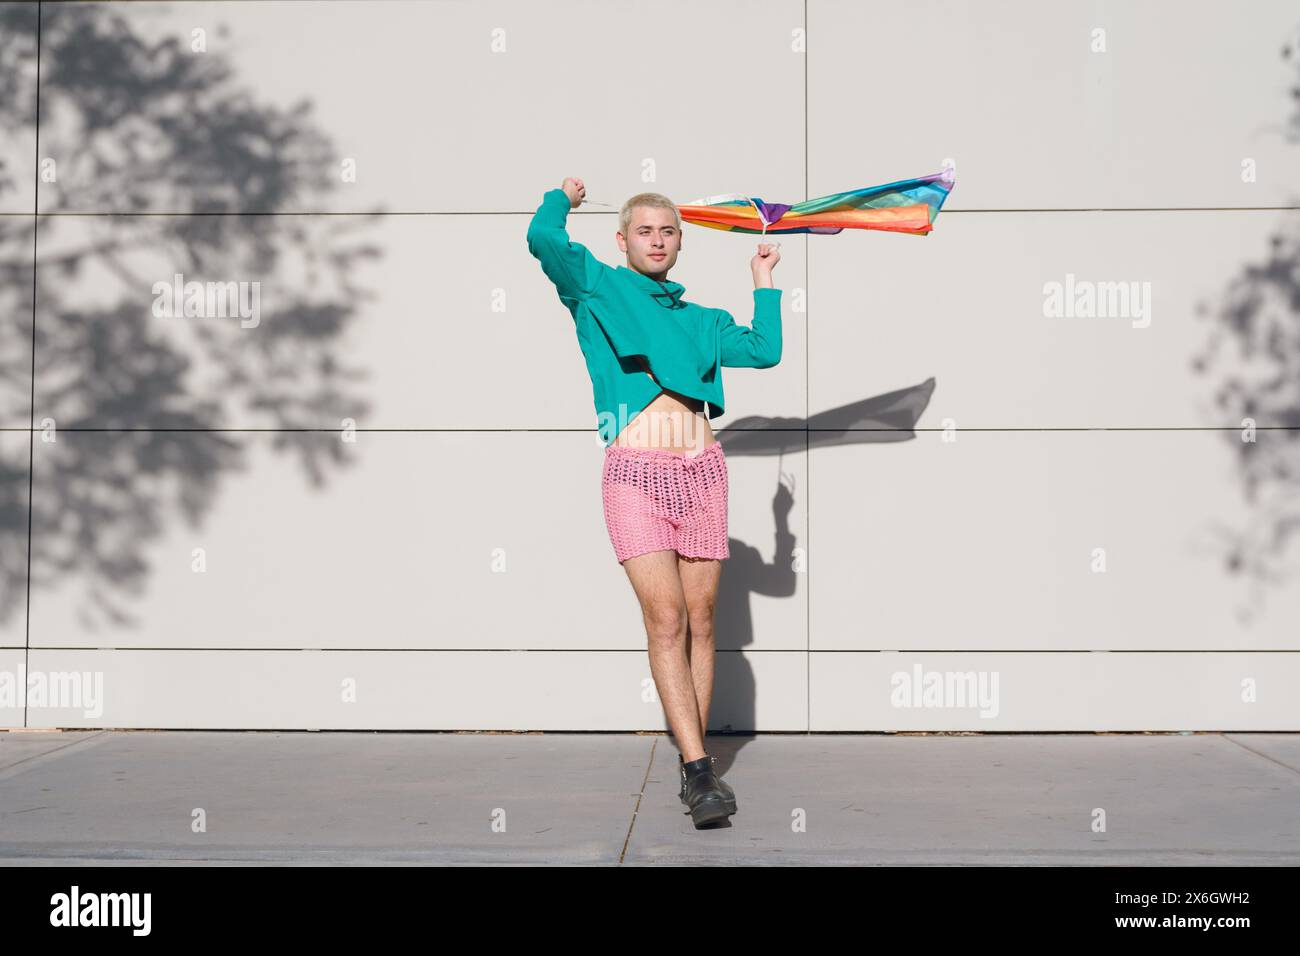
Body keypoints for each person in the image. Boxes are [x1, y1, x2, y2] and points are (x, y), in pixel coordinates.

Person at [526, 176, 782, 828]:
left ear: (679, 243)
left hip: (703, 475)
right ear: (624, 239)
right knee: (665, 619)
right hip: (635, 474)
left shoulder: (701, 320)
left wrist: (764, 279)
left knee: (701, 621)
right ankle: (701, 773)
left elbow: (764, 349)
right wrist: (562, 196)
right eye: (645, 231)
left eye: (667, 232)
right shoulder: (597, 286)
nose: (657, 240)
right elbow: (541, 239)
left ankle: (690, 763)